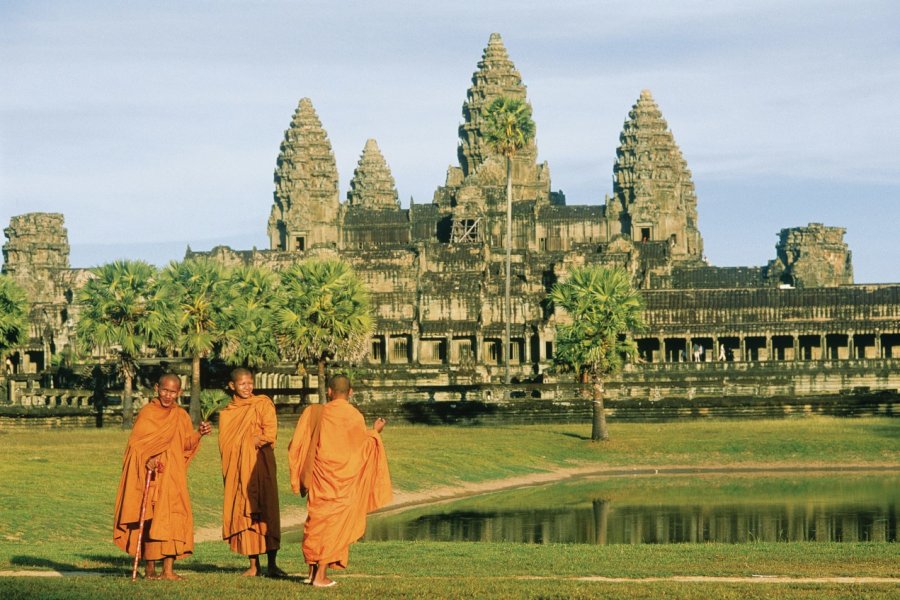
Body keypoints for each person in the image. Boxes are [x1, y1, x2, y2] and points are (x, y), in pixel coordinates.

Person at [288, 374, 392, 588]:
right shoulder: (355, 417)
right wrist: (375, 432)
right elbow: (361, 448)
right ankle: (320, 577)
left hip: (320, 478)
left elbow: (297, 444)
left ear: (329, 391)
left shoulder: (315, 413)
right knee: (334, 526)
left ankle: (311, 572)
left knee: (316, 522)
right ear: (351, 392)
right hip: (342, 481)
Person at [112, 373, 211, 580]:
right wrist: (147, 459)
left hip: (173, 477)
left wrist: (199, 433)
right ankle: (150, 569)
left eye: (173, 392)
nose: (168, 395)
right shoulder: (148, 413)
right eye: (164, 390)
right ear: (157, 388)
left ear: (179, 392)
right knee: (151, 520)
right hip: (154, 475)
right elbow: (136, 446)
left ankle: (168, 570)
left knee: (173, 518)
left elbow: (185, 445)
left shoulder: (181, 416)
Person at [217, 367, 286, 577]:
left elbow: (270, 433)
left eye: (250, 383)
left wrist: (252, 441)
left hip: (261, 465)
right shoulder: (228, 413)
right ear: (232, 386)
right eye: (242, 384)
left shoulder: (262, 404)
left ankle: (272, 564)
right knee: (246, 511)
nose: (247, 387)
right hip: (241, 471)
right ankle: (254, 565)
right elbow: (226, 446)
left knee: (268, 510)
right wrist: (248, 442)